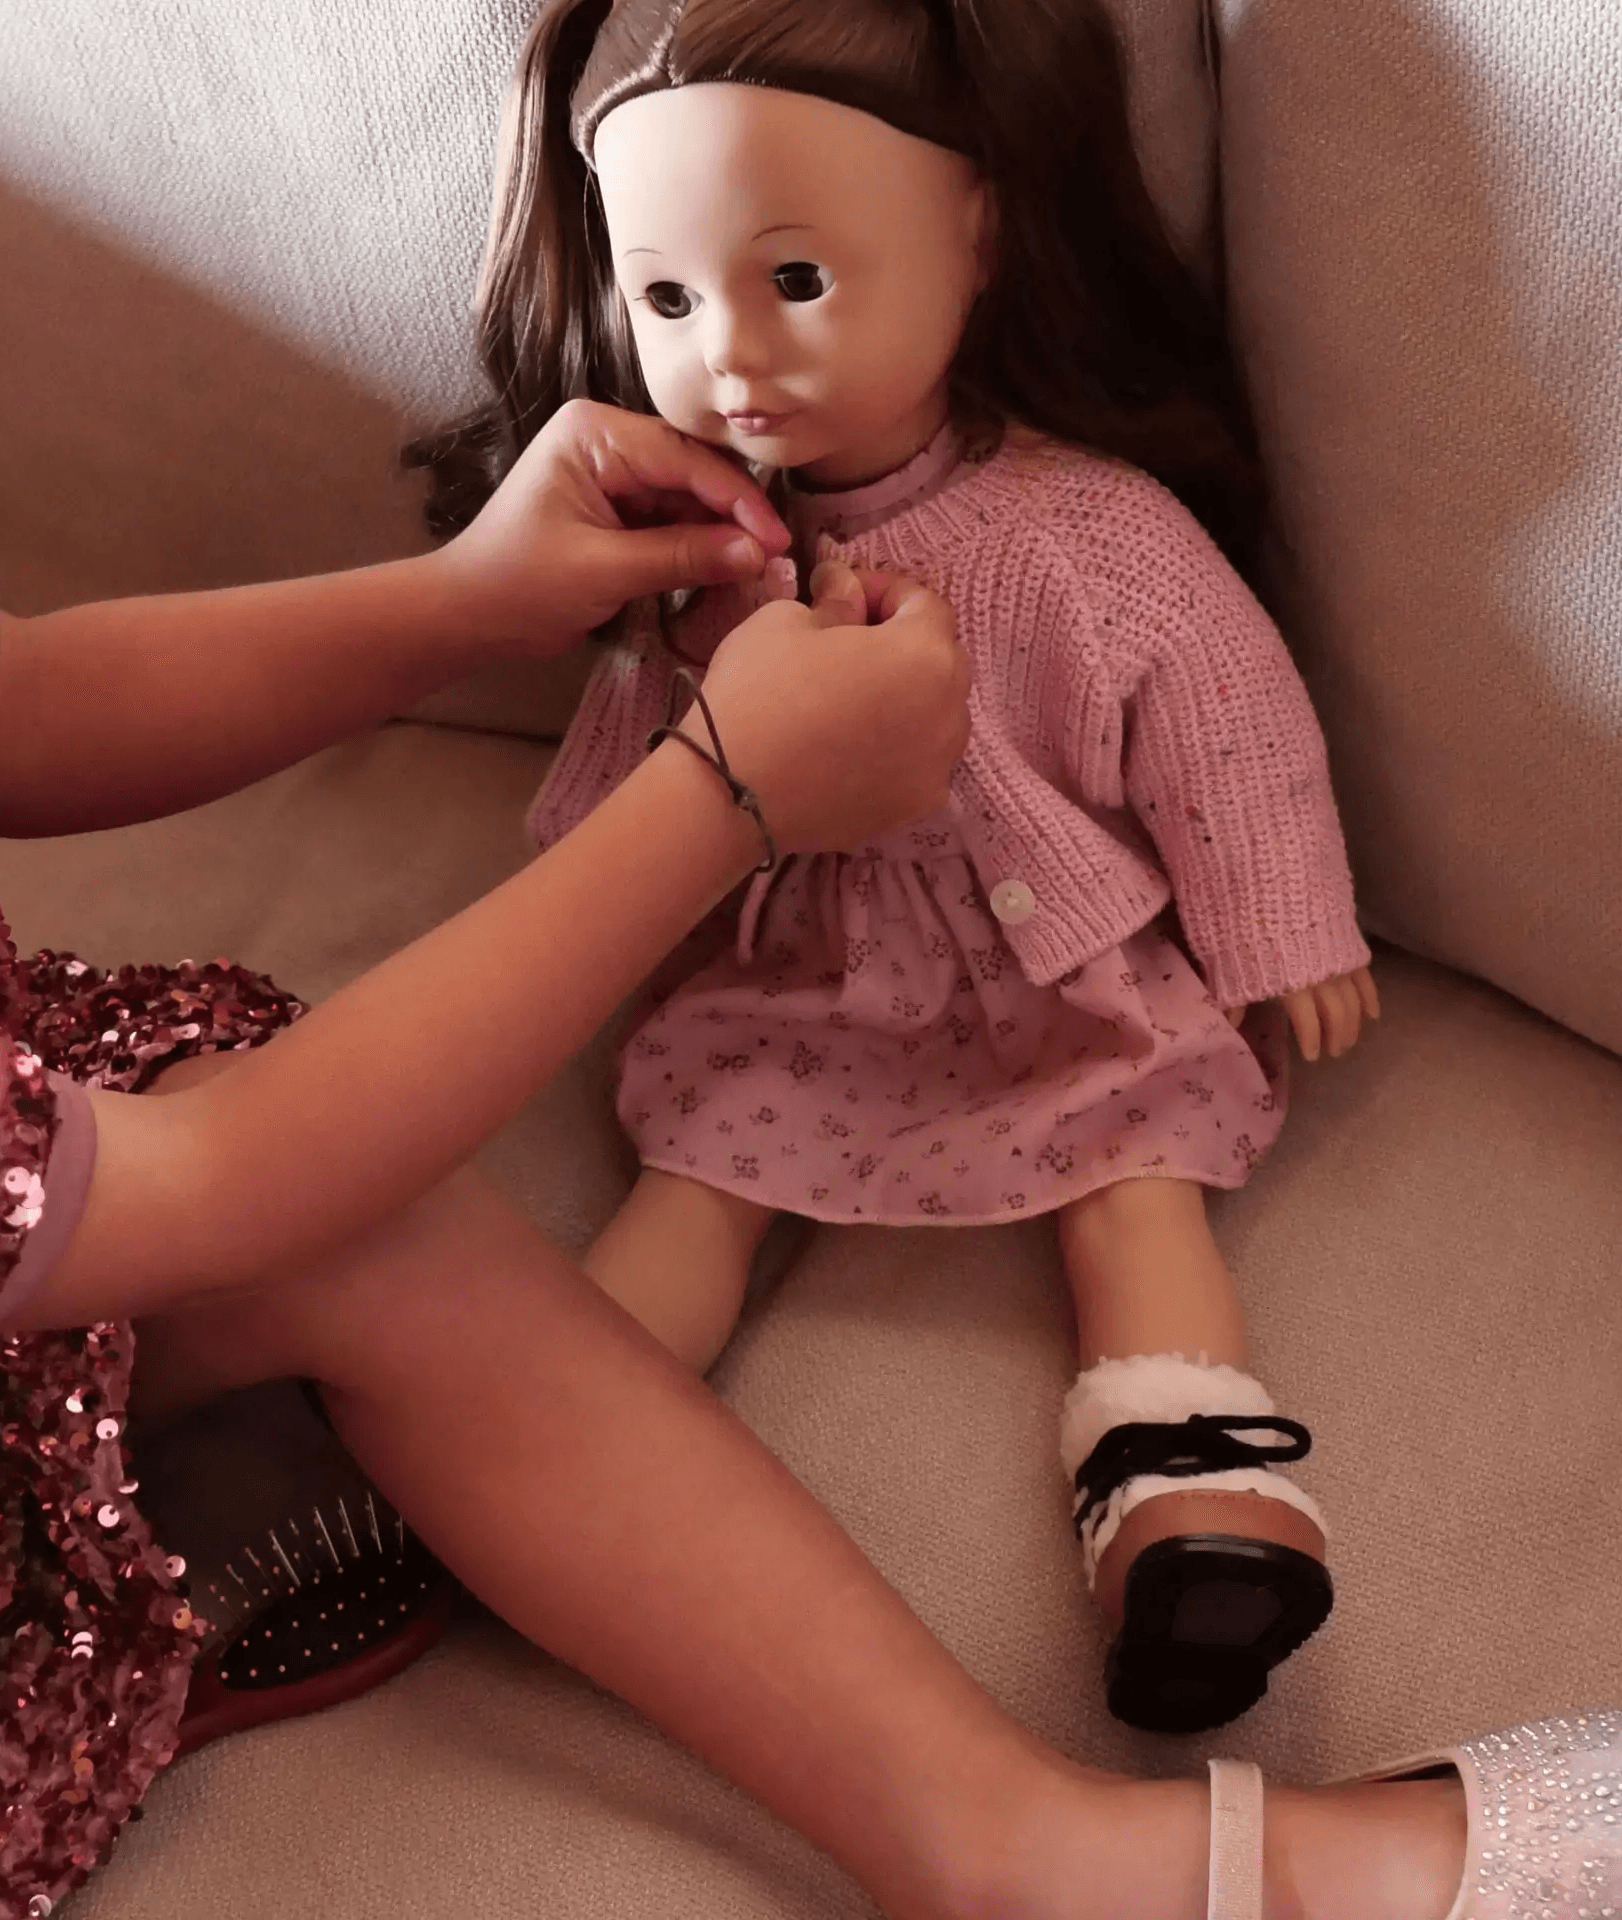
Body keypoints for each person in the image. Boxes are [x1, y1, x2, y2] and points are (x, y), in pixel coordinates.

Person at [0, 406, 1622, 1920]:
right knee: (402, 1200)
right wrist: (725, 797)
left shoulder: (1085, 534)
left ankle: (1156, 1502)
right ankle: (1042, 1855)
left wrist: (466, 597)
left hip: (11, 1210)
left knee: (404, 1229)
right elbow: (220, 1184)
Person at [408, 0, 1372, 1738]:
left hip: (1070, 973)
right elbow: (639, 759)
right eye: (669, 301)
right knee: (700, 1173)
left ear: (979, 236)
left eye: (795, 280)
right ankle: (523, 1464)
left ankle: (1190, 1502)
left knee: (1133, 1177)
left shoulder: (1089, 530)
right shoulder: (701, 551)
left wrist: (1285, 927)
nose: (731, 357)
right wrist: (589, 904)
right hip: (809, 967)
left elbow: (1227, 726)